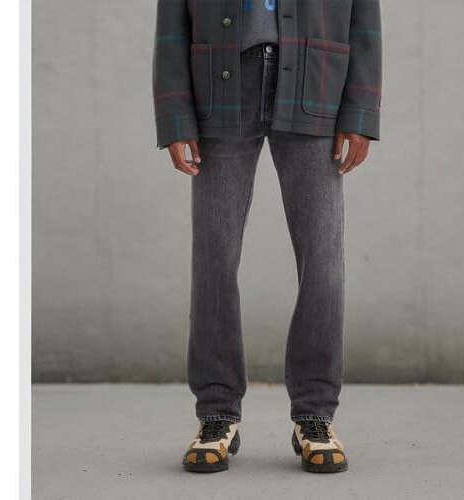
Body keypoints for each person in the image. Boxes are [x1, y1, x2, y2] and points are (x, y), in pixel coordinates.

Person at [152, 0, 382, 473]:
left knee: (323, 260)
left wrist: (360, 112)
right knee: (214, 259)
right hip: (220, 81)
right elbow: (171, 24)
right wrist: (175, 117)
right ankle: (216, 412)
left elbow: (364, 18)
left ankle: (315, 413)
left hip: (314, 79)